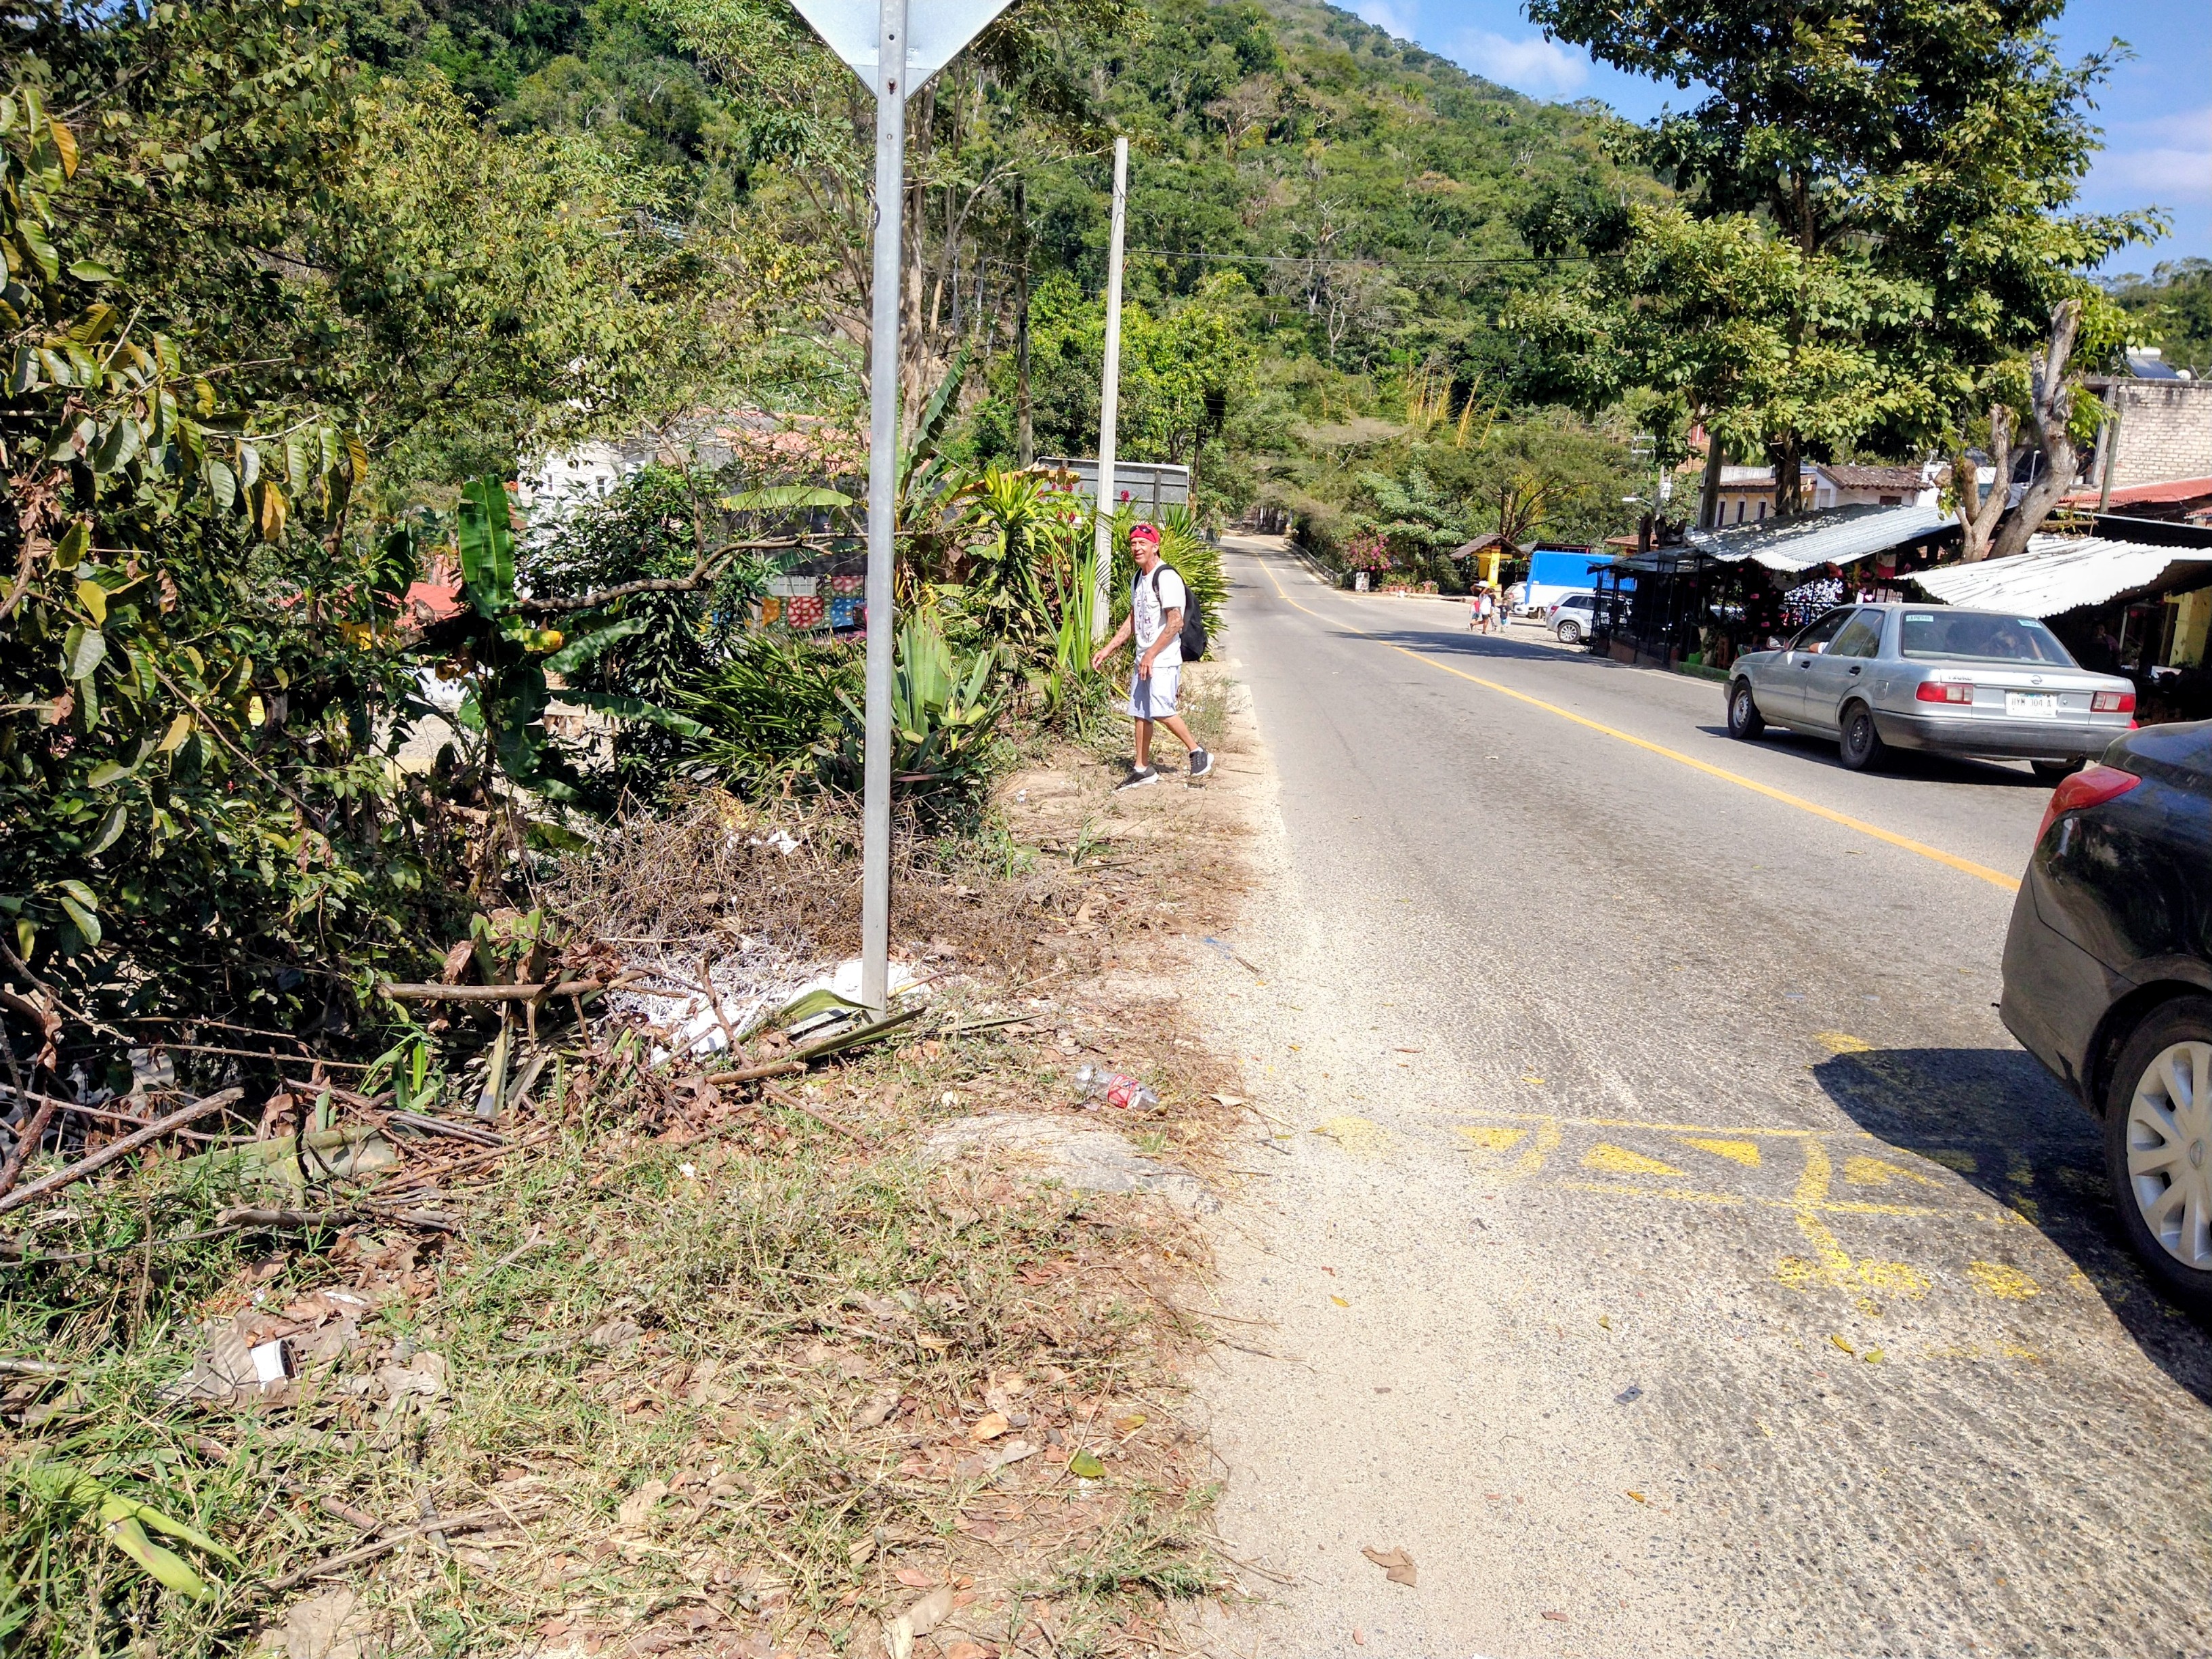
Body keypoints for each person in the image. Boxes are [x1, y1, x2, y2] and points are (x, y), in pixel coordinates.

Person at [1092, 522, 1212, 790]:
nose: (1137, 548)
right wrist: (1107, 650)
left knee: (1160, 710)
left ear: (1155, 547)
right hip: (1144, 659)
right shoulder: (1139, 578)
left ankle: (1197, 751)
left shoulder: (1166, 577)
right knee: (1140, 712)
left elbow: (1176, 622)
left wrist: (1151, 654)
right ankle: (1142, 768)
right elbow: (1134, 619)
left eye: (1142, 544)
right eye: (1133, 543)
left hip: (1163, 660)